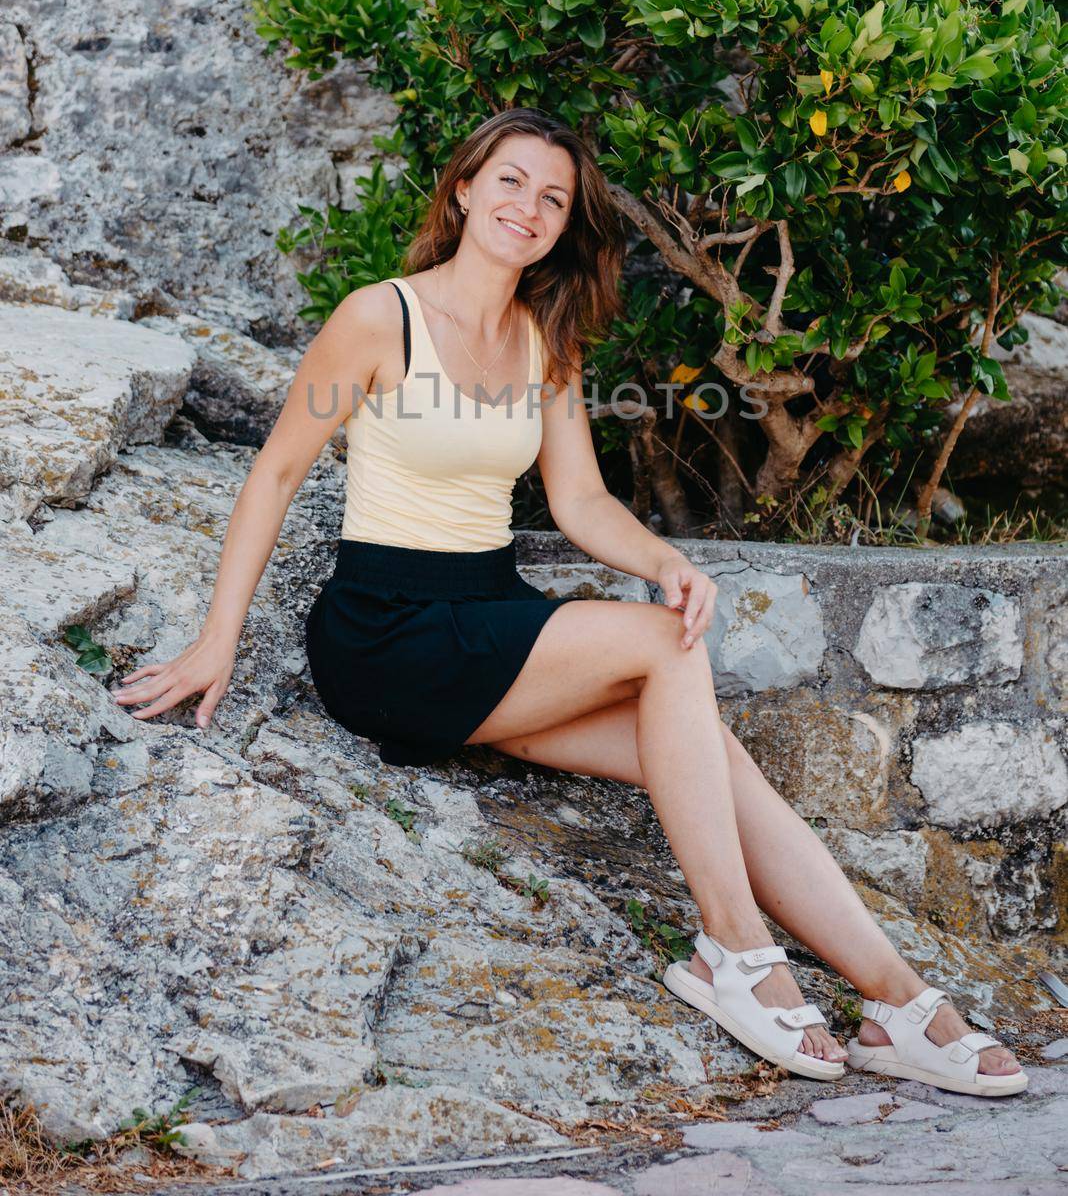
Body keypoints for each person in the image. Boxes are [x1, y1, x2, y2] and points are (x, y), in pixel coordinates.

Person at [109, 106, 1027, 1095]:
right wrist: (216, 641)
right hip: (388, 634)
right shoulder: (381, 316)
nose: (529, 208)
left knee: (707, 757)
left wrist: (665, 560)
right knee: (663, 648)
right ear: (463, 188)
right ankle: (731, 947)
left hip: (488, 620)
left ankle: (896, 999)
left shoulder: (547, 337)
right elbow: (277, 473)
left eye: (552, 198)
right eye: (510, 182)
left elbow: (582, 498)